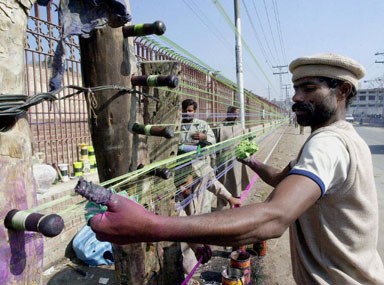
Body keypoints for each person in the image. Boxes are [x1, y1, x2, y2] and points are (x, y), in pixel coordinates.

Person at [86, 53, 384, 284]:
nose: (296, 97)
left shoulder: (327, 145)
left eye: (308, 89)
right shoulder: (340, 138)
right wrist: (247, 160)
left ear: (342, 91)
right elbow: (284, 179)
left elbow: (274, 219)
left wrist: (149, 226)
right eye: (295, 89)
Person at [214, 106, 248, 210]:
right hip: (223, 162)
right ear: (228, 113)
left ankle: (236, 206)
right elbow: (214, 146)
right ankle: (220, 207)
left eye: (237, 114)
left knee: (236, 183)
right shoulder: (219, 127)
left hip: (237, 161)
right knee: (223, 183)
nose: (235, 116)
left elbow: (244, 141)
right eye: (233, 113)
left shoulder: (240, 126)